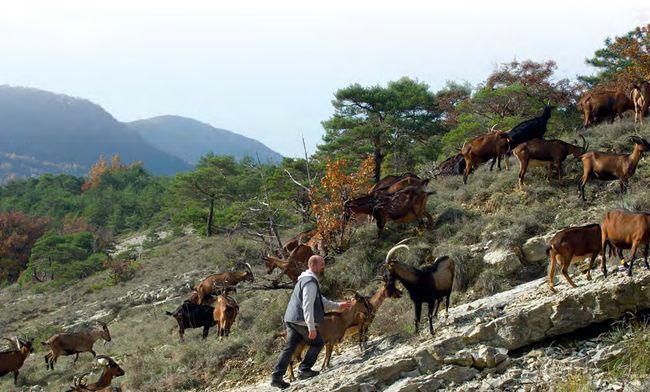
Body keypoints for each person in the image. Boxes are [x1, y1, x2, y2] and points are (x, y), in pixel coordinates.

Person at [270, 255, 351, 389]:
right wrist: (311, 326)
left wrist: (338, 305)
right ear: (313, 265)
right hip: (301, 320)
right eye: (321, 264)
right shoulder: (310, 282)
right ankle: (304, 369)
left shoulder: (305, 280)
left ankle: (276, 376)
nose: (323, 267)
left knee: (289, 347)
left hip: (291, 319)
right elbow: (308, 305)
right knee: (318, 342)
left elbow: (321, 302)